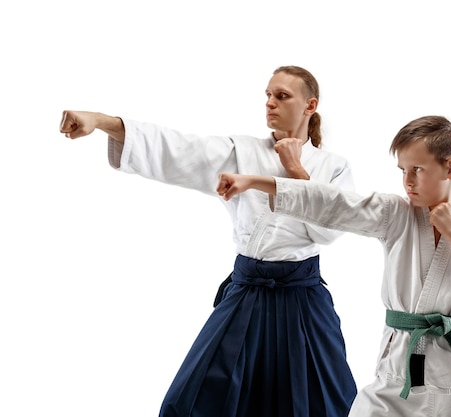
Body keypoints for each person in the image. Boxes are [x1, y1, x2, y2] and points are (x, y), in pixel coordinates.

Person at [58, 66, 358, 417]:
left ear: (310, 105)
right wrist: (102, 121)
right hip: (247, 292)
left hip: (303, 298)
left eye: (281, 96)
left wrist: (296, 171)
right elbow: (180, 150)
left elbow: (331, 230)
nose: (270, 103)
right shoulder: (240, 152)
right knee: (195, 397)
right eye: (267, 95)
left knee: (320, 399)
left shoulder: (333, 166)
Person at [216, 115, 451, 417]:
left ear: (450, 167)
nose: (407, 181)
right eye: (403, 170)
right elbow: (335, 204)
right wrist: (255, 182)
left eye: (417, 170)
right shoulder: (395, 213)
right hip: (400, 368)